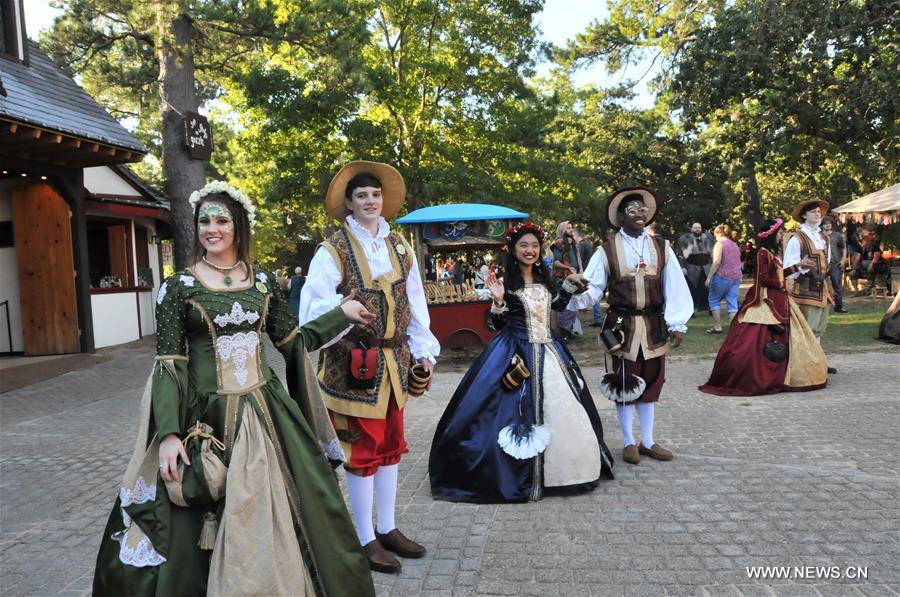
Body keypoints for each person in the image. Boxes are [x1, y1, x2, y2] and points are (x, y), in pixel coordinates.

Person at [92, 181, 376, 596]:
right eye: (204, 221)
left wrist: (341, 314)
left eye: (222, 220)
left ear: (238, 226)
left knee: (299, 505)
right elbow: (169, 364)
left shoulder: (262, 282)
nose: (212, 228)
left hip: (266, 412)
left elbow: (292, 341)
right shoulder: (179, 286)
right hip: (203, 419)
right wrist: (169, 434)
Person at [299, 161, 440, 575]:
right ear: (349, 203)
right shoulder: (332, 250)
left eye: (375, 195)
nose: (370, 201)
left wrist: (423, 350)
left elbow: (415, 300)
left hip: (394, 364)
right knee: (362, 453)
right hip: (353, 366)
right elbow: (311, 309)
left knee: (390, 447)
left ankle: (388, 527)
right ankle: (364, 538)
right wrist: (341, 309)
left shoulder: (400, 246)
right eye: (361, 195)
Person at [429, 222, 614, 503]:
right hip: (514, 351)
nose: (530, 250)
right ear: (513, 250)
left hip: (550, 350)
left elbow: (558, 305)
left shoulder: (546, 280)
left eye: (535, 246)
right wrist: (498, 300)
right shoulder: (505, 283)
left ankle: (567, 472)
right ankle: (516, 473)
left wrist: (569, 285)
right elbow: (496, 324)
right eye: (524, 246)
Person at [570, 186, 692, 465]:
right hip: (621, 327)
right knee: (624, 384)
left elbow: (674, 285)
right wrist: (575, 293)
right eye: (632, 210)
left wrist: (677, 323)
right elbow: (592, 288)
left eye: (643, 209)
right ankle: (628, 441)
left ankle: (647, 441)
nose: (640, 213)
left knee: (652, 382)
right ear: (620, 218)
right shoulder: (606, 251)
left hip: (654, 324)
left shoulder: (662, 247)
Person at [699, 217, 828, 395]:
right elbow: (764, 279)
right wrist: (781, 284)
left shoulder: (772, 253)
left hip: (779, 296)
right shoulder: (762, 253)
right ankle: (757, 374)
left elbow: (779, 274)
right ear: (772, 234)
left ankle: (787, 373)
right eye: (779, 232)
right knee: (755, 336)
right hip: (765, 298)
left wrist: (798, 265)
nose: (781, 235)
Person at [783, 199, 836, 373]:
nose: (817, 214)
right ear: (804, 215)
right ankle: (804, 365)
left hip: (822, 288)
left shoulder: (823, 238)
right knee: (807, 328)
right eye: (813, 211)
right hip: (805, 290)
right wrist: (800, 265)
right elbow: (787, 269)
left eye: (819, 211)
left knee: (818, 329)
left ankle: (817, 362)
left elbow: (827, 262)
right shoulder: (797, 238)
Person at [705, 224, 743, 333]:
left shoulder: (719, 244)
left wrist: (709, 277)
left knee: (714, 300)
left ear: (718, 233)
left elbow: (716, 262)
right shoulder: (735, 245)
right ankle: (734, 330)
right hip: (736, 277)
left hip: (722, 276)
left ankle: (717, 327)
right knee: (732, 303)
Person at [551, 221, 582, 338]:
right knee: (564, 306)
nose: (571, 229)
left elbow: (577, 260)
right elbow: (556, 263)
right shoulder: (559, 244)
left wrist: (580, 271)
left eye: (571, 227)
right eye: (568, 228)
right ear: (562, 230)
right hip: (562, 278)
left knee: (573, 306)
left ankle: (568, 330)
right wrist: (568, 268)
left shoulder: (573, 244)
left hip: (574, 277)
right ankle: (562, 332)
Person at [678, 222, 715, 312]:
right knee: (692, 289)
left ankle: (709, 307)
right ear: (692, 229)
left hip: (706, 267)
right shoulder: (686, 240)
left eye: (699, 227)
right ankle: (693, 308)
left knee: (707, 288)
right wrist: (682, 267)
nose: (697, 229)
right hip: (692, 267)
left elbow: (712, 254)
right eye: (695, 228)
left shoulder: (708, 239)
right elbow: (680, 255)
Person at [821, 217, 849, 313]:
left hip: (835, 264)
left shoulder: (837, 235)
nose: (828, 225)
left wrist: (843, 260)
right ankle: (821, 305)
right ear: (822, 225)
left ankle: (839, 307)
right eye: (825, 223)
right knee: (819, 283)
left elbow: (843, 248)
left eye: (829, 223)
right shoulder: (818, 235)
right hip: (822, 264)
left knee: (836, 284)